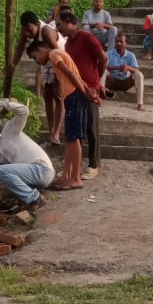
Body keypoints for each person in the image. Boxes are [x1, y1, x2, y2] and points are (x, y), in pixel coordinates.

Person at [29, 42, 100, 190]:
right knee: (70, 138)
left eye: (34, 57)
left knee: (74, 138)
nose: (36, 61)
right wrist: (88, 91)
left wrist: (83, 93)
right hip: (72, 96)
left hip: (74, 96)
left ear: (40, 50)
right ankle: (66, 176)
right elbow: (77, 76)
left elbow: (70, 74)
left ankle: (75, 177)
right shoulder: (58, 54)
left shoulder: (54, 54)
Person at [0, 98, 55, 208]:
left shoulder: (9, 131)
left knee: (0, 171)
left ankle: (35, 199)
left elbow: (24, 111)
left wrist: (0, 103)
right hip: (35, 176)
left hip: (42, 170)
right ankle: (32, 198)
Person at [58, 10, 106, 180]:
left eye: (60, 24)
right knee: (78, 129)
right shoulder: (68, 43)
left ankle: (93, 164)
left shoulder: (86, 37)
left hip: (90, 88)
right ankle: (76, 167)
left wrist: (96, 80)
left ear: (69, 22)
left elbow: (103, 58)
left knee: (91, 127)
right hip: (75, 89)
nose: (58, 28)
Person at [103, 34, 145, 111]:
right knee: (103, 71)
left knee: (139, 75)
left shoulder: (131, 55)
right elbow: (102, 67)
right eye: (117, 41)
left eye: (121, 42)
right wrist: (116, 68)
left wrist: (128, 68)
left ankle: (140, 103)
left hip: (125, 82)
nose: (118, 43)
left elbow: (137, 70)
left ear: (126, 43)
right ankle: (100, 96)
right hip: (111, 81)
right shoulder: (108, 54)